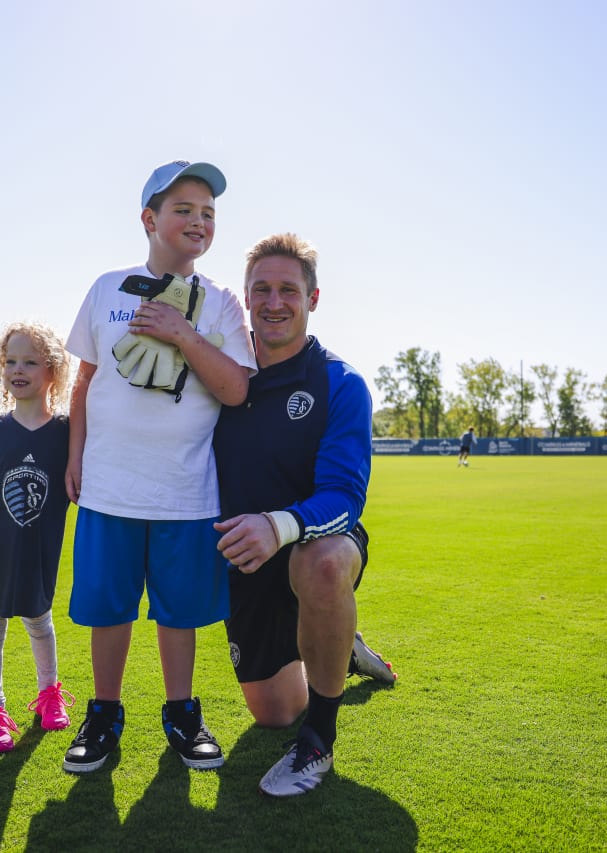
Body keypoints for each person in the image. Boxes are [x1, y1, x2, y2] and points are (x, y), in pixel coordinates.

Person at [61, 160, 255, 774]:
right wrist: (75, 455)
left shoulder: (220, 301)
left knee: (180, 613)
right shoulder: (107, 288)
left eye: (209, 213)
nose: (199, 222)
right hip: (109, 486)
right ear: (149, 219)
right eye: (184, 210)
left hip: (186, 490)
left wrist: (182, 334)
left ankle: (182, 714)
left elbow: (236, 390)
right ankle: (103, 714)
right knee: (108, 609)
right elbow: (84, 382)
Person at [213, 233, 397, 798]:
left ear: (312, 299)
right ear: (245, 297)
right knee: (274, 713)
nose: (274, 303)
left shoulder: (340, 383)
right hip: (245, 555)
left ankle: (318, 740)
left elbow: (343, 496)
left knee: (320, 565)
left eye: (288, 290)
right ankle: (341, 645)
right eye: (261, 289)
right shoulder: (218, 374)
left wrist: (277, 526)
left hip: (313, 541)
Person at [0, 322, 76, 755]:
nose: (17, 370)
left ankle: (49, 695)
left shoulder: (66, 431)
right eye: (10, 361)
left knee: (39, 621)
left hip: (39, 548)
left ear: (52, 371)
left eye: (29, 362)